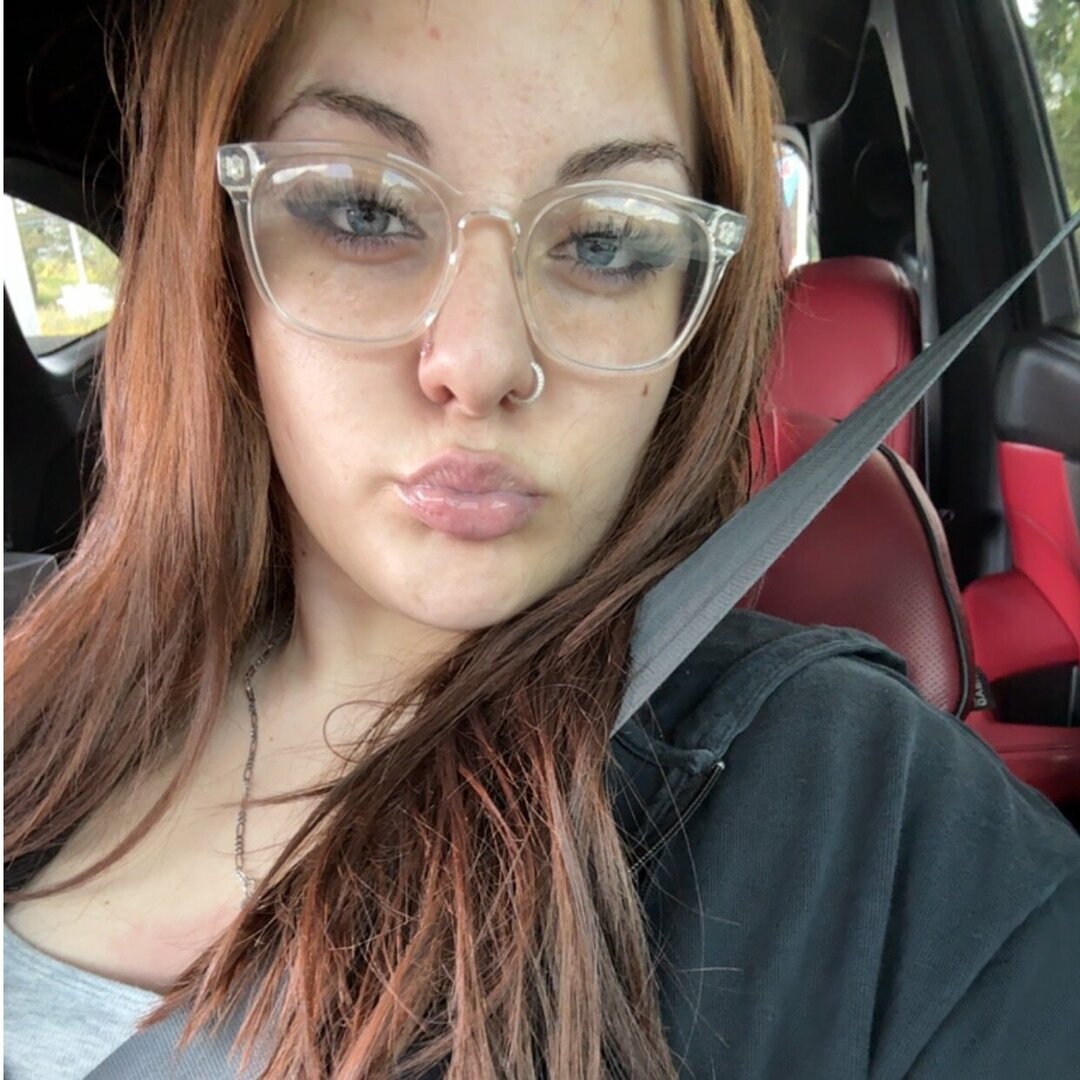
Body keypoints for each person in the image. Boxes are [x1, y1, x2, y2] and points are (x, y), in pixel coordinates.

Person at [4, 1, 1080, 1077]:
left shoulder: (867, 827)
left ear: (695, 306)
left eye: (605, 240)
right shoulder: (19, 638)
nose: (480, 362)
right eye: (364, 210)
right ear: (219, 255)